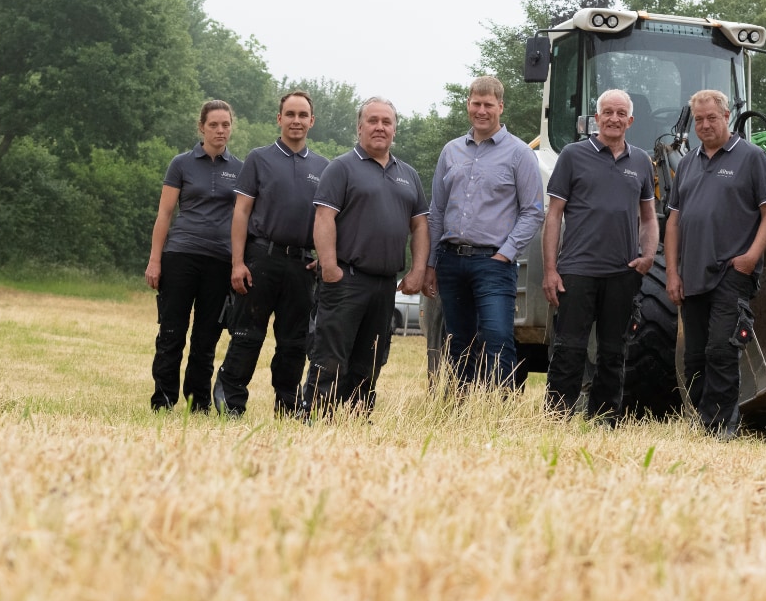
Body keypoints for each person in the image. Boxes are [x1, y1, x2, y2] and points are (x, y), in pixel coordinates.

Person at [299, 97, 429, 416]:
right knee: (330, 352)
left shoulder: (408, 175)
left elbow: (421, 225)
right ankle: (315, 414)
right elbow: (324, 218)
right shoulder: (341, 167)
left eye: (387, 122)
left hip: (385, 283)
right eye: (373, 121)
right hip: (345, 278)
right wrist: (329, 266)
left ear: (395, 129)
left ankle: (356, 417)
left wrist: (417, 271)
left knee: (371, 356)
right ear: (359, 127)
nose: (380, 127)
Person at [665, 89, 766, 439]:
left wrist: (750, 257)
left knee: (722, 348)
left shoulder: (751, 157)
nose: (704, 125)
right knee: (695, 357)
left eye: (711, 118)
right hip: (692, 272)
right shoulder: (686, 162)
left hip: (732, 272)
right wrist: (672, 271)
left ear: (727, 116)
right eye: (698, 119)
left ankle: (721, 426)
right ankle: (702, 421)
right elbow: (672, 221)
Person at [542, 88, 659, 424]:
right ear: (596, 118)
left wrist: (648, 255)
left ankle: (605, 419)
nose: (614, 118)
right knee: (570, 348)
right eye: (608, 112)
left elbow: (649, 216)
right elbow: (554, 215)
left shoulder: (640, 160)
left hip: (622, 272)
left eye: (621, 113)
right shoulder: (572, 155)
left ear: (631, 121)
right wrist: (551, 270)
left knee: (614, 351)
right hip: (577, 270)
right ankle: (557, 417)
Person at [212, 91, 329, 416]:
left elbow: (329, 219)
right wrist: (237, 263)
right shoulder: (259, 158)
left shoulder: (323, 167)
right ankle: (230, 401)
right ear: (279, 118)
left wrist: (326, 255)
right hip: (261, 259)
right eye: (289, 114)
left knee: (294, 343)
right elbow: (241, 212)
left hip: (302, 266)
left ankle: (288, 405)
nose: (296, 120)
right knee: (247, 334)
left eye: (302, 115)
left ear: (311, 121)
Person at [424, 75, 544, 390]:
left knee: (497, 336)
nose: (481, 110)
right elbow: (436, 210)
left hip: (494, 262)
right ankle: (460, 403)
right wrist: (431, 264)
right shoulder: (450, 152)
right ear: (468, 105)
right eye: (476, 103)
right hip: (451, 261)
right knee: (457, 339)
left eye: (488, 105)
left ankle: (496, 407)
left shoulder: (520, 154)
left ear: (500, 107)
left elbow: (533, 211)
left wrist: (506, 253)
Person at [144, 99, 242, 413]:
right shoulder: (181, 164)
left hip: (220, 261)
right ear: (201, 127)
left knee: (207, 335)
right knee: (172, 330)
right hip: (180, 255)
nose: (220, 130)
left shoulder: (240, 170)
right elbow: (164, 214)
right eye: (213, 124)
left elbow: (245, 219)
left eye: (225, 124)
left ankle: (197, 402)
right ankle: (163, 400)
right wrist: (154, 260)